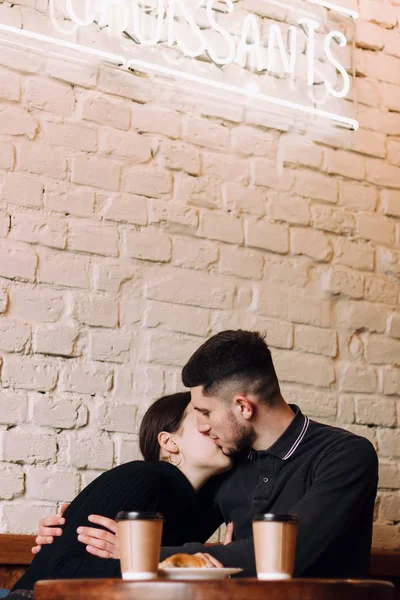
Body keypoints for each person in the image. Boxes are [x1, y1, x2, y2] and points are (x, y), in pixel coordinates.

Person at [38, 330, 379, 579]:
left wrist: (143, 554)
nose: (202, 425)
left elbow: (289, 555)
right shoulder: (230, 466)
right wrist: (68, 533)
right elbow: (169, 530)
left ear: (243, 406)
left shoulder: (345, 456)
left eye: (204, 411)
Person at [7, 392, 232, 598]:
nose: (215, 427)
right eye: (202, 416)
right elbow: (63, 572)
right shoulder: (145, 477)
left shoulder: (204, 506)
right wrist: (163, 568)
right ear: (169, 442)